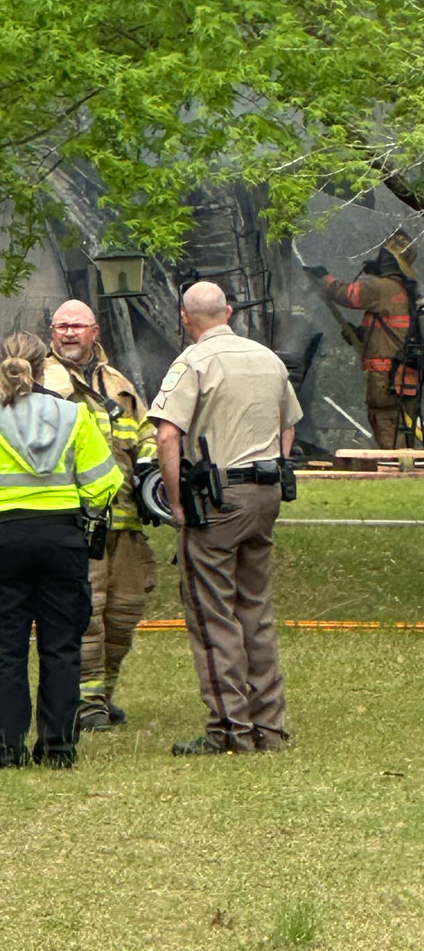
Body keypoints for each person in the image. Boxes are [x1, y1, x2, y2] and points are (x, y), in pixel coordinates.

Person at [0, 332, 123, 770]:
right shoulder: (73, 416)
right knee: (62, 648)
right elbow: (104, 484)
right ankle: (58, 747)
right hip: (62, 540)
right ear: (45, 368)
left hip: (3, 540)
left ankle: (4, 749)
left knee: (5, 650)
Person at [147, 281, 303, 756]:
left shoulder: (193, 362)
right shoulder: (267, 358)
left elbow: (167, 436)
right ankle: (269, 729)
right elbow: (289, 424)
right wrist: (273, 466)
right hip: (267, 492)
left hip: (218, 498)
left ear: (184, 318)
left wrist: (176, 504)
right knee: (255, 609)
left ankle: (230, 730)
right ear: (229, 312)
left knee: (214, 613)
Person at [42, 299, 158, 732]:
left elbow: (143, 431)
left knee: (124, 613)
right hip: (73, 521)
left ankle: (102, 695)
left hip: (124, 521)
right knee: (84, 614)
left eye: (77, 326)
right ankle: (84, 704)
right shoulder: (42, 380)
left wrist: (148, 463)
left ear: (95, 332)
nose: (68, 334)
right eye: (61, 326)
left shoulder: (118, 383)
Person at [307, 230, 419, 448]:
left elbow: (347, 294)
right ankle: (403, 466)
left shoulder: (381, 288)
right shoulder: (404, 290)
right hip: (403, 375)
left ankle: (396, 471)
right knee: (399, 427)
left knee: (386, 424)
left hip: (386, 377)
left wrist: (324, 278)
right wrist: (360, 337)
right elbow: (392, 332)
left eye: (383, 257)